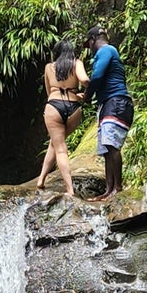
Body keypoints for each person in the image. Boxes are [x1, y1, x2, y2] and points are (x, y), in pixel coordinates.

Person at [35, 39, 88, 199]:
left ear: (56, 53)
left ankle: (69, 189)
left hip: (54, 107)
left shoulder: (49, 67)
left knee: (60, 148)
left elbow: (49, 92)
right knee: (55, 143)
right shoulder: (76, 63)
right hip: (74, 108)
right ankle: (41, 179)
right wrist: (86, 93)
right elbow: (85, 80)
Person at [84, 26, 133, 198]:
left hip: (117, 101)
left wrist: (87, 96)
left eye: (88, 44)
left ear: (92, 40)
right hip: (108, 103)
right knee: (106, 149)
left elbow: (97, 76)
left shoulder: (107, 50)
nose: (88, 49)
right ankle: (108, 190)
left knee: (112, 145)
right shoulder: (106, 52)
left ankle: (117, 188)